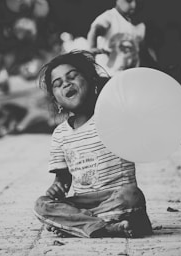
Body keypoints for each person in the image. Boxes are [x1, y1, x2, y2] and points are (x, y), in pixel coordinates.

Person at [33, 51, 153, 238]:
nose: (66, 83)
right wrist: (56, 188)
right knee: (41, 204)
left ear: (90, 81)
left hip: (117, 198)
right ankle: (107, 226)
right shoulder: (60, 135)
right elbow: (62, 181)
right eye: (58, 84)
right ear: (56, 100)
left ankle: (77, 224)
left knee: (132, 195)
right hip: (84, 202)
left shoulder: (114, 117)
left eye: (72, 76)